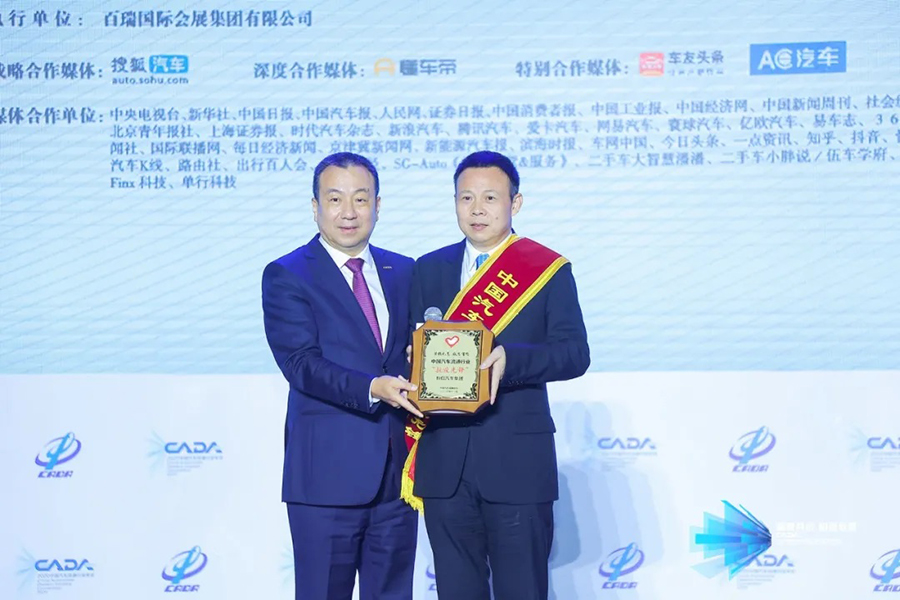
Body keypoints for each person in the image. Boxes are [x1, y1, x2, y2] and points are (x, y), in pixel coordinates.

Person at [407, 151, 590, 600]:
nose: (477, 209)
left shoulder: (547, 269)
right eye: (465, 198)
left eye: (490, 197)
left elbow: (574, 354)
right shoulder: (427, 268)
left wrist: (512, 361)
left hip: (516, 463)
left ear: (515, 203)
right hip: (444, 463)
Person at [262, 152, 421, 600]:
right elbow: (300, 363)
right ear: (315, 207)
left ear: (378, 205)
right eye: (335, 199)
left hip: (398, 479)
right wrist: (372, 388)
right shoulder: (288, 274)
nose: (349, 212)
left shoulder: (404, 270)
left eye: (361, 198)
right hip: (325, 481)